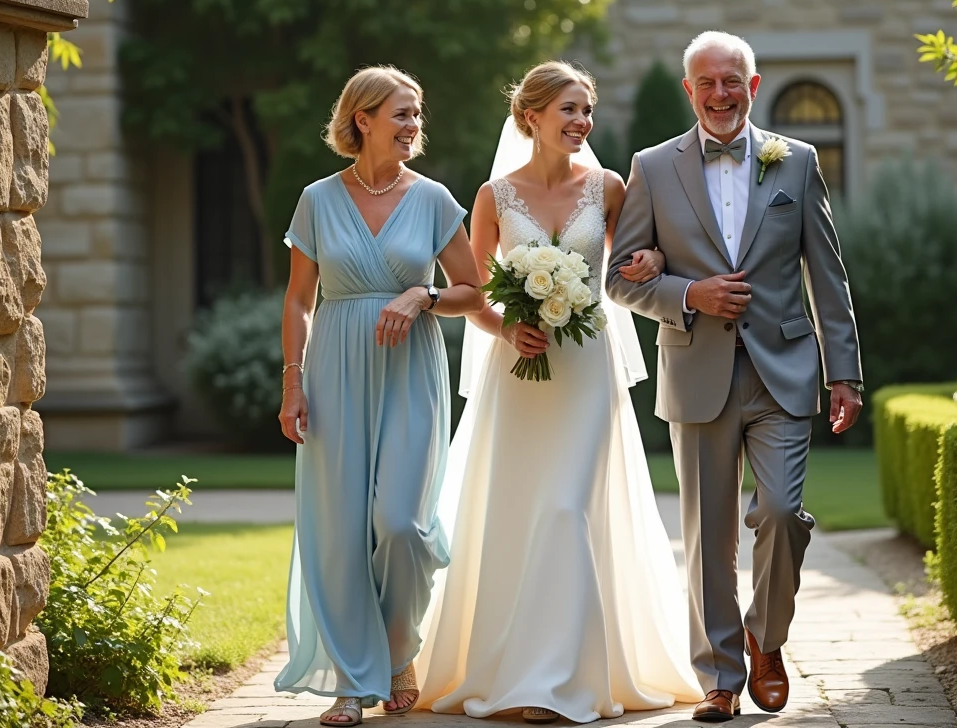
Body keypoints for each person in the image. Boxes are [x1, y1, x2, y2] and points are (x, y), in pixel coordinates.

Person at [415, 61, 702, 723]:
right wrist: (506, 328)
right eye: (569, 110)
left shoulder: (606, 187)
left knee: (568, 508)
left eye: (586, 111)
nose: (582, 123)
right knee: (521, 511)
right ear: (531, 117)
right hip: (518, 375)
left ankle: (560, 680)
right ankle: (517, 665)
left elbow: (643, 259)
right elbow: (475, 292)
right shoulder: (493, 196)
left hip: (587, 369)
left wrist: (652, 261)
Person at [605, 31, 864, 723]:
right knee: (708, 539)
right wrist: (690, 295)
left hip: (785, 371)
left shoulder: (797, 160)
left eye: (732, 82)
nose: (720, 94)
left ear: (752, 87)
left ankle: (766, 638)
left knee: (780, 512)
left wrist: (846, 375)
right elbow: (617, 280)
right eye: (706, 83)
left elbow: (827, 275)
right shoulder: (653, 167)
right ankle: (720, 676)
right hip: (696, 370)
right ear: (690, 91)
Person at [274, 65, 484, 727]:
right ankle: (351, 681)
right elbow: (299, 299)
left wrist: (423, 293)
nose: (413, 126)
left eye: (417, 114)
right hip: (334, 371)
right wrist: (292, 380)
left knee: (401, 524)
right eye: (401, 113)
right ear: (361, 118)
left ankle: (398, 650)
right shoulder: (316, 198)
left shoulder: (433, 199)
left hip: (408, 373)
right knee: (338, 533)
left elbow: (473, 291)